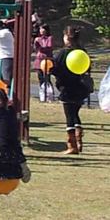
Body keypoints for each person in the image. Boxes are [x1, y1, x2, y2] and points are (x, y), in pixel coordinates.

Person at [51, 26, 91, 155]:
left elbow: (55, 69)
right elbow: (87, 68)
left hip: (67, 89)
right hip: (81, 88)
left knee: (69, 116)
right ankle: (79, 139)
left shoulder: (63, 53)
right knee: (75, 114)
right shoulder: (82, 52)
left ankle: (72, 145)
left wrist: (49, 69)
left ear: (67, 38)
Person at [33, 24, 54, 103]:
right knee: (40, 78)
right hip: (39, 60)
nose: (41, 31)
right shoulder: (38, 39)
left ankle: (49, 95)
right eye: (40, 29)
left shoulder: (49, 38)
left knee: (47, 78)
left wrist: (40, 45)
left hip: (47, 61)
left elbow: (49, 47)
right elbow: (35, 49)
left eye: (42, 29)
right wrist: (35, 43)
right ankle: (42, 95)